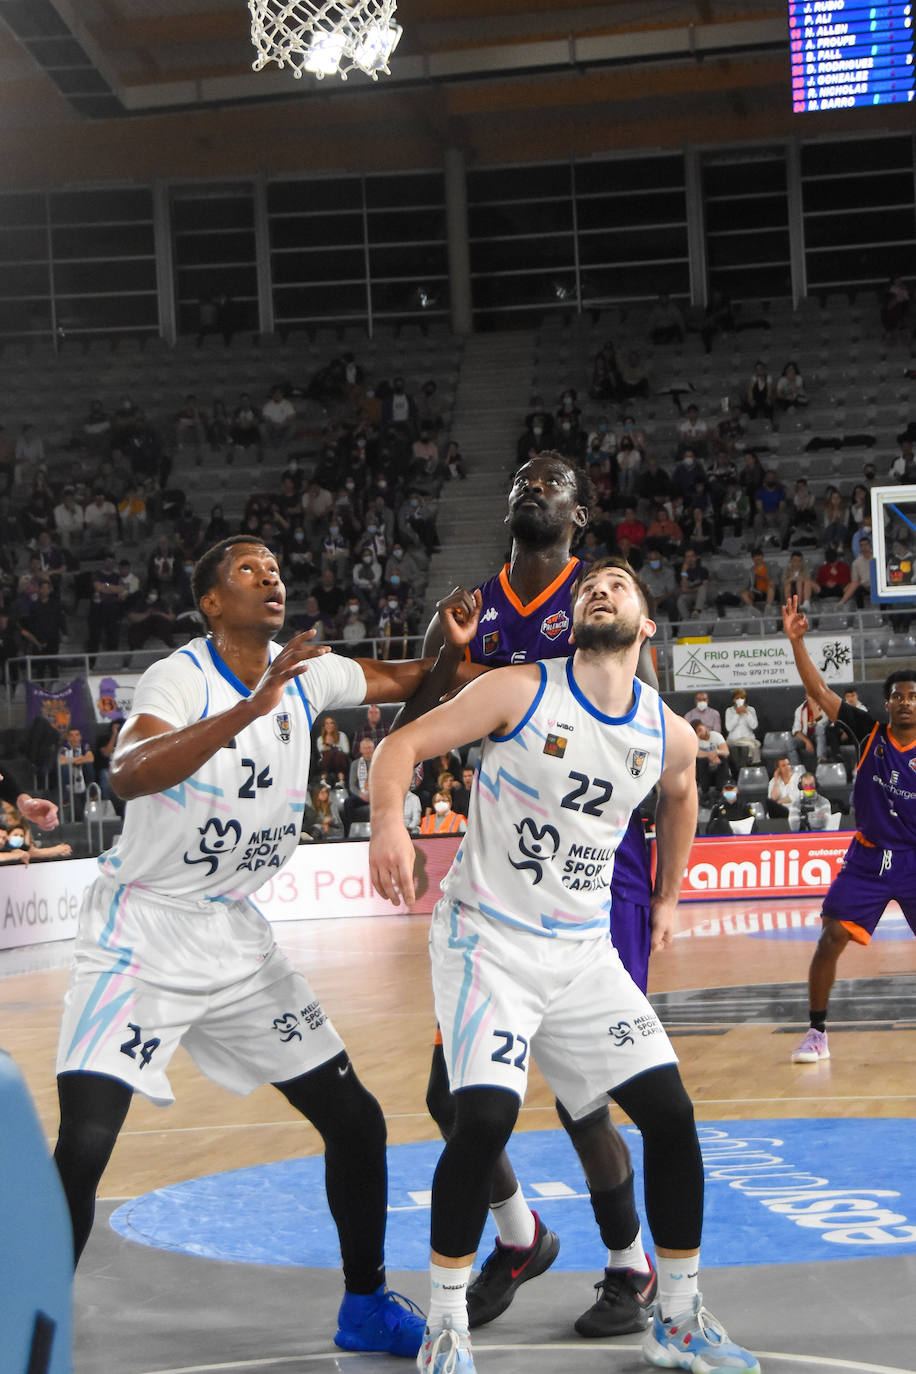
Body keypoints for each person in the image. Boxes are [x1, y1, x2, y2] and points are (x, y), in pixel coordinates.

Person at [51, 535, 458, 1359]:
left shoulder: (307, 668)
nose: (271, 576)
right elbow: (126, 774)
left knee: (357, 1121)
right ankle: (27, 1312)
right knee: (88, 1140)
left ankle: (365, 1304)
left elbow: (416, 691)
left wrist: (443, 649)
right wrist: (247, 710)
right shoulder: (183, 677)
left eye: (276, 566)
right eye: (249, 569)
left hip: (235, 937)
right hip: (140, 929)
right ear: (210, 602)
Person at [368, 558, 760, 1374]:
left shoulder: (665, 730)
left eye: (618, 584)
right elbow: (400, 746)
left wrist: (668, 896)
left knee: (673, 1115)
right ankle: (446, 1327)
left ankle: (679, 1317)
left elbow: (681, 792)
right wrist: (389, 826)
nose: (600, 589)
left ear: (646, 624)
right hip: (488, 939)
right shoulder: (521, 690)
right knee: (480, 1119)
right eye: (592, 585)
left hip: (582, 952)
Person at [398, 453, 661, 1340]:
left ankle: (632, 1267)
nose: (532, 484)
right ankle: (520, 1237)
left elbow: (646, 732)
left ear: (579, 516)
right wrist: (450, 660)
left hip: (594, 873)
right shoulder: (471, 610)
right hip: (502, 875)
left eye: (552, 479)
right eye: (520, 477)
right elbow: (416, 733)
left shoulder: (600, 602)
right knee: (449, 1098)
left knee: (582, 1095)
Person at [783, 594, 916, 1066]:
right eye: (898, 696)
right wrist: (797, 642)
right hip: (868, 859)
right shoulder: (869, 733)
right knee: (830, 938)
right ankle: (816, 1033)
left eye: (913, 696)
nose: (905, 703)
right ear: (887, 703)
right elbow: (818, 691)